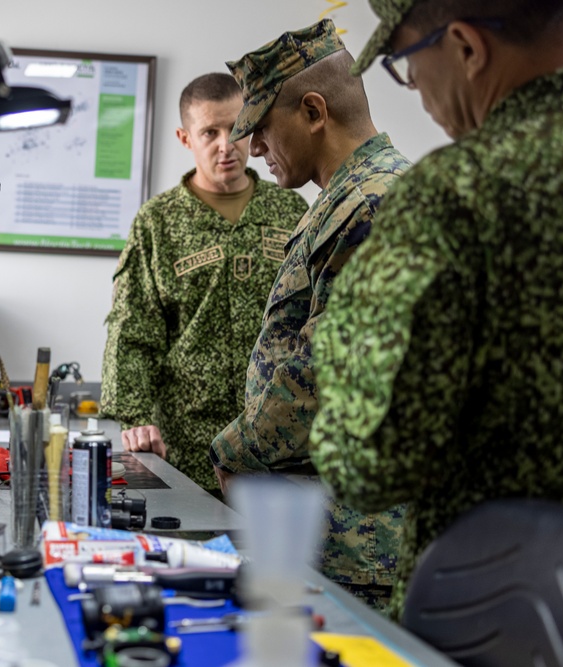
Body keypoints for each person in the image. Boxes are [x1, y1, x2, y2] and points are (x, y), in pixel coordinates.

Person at [308, 0, 563, 620]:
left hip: (496, 616)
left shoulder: (452, 198)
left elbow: (368, 461)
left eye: (406, 63)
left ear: (466, 47)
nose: (419, 93)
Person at [207, 19, 411, 609]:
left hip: (356, 543)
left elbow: (323, 370)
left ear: (314, 111)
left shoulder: (379, 201)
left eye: (262, 129)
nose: (252, 149)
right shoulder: (343, 198)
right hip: (320, 528)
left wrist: (235, 448)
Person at [100, 73, 308, 493]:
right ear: (184, 137)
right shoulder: (158, 222)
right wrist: (135, 417)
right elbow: (132, 327)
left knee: (276, 559)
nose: (225, 144)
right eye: (209, 132)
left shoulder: (290, 209)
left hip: (276, 444)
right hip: (188, 449)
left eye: (236, 128)